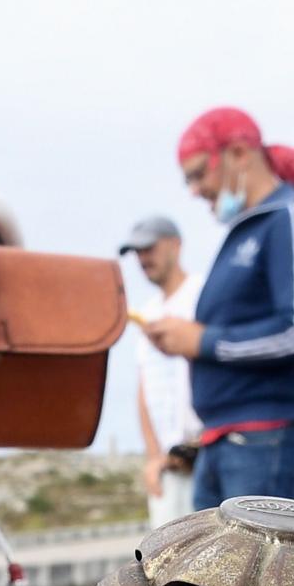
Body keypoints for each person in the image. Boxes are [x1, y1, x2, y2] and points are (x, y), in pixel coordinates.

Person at [146, 107, 294, 510]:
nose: (195, 190)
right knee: (203, 574)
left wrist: (202, 341)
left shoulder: (290, 221)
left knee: (259, 575)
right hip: (223, 440)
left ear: (238, 154)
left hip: (267, 437)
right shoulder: (243, 233)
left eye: (199, 174)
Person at [119, 214, 201, 527]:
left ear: (175, 245)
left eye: (149, 249)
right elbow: (144, 389)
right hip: (168, 466)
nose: (142, 259)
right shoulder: (148, 311)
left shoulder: (201, 294)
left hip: (204, 456)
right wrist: (153, 456)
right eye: (137, 252)